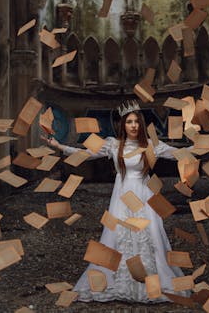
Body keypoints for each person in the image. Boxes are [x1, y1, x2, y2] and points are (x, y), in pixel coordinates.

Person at [43, 100, 190, 303]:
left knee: (152, 235)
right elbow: (85, 154)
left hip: (145, 197)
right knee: (116, 236)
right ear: (123, 124)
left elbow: (178, 154)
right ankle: (118, 283)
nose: (133, 125)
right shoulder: (113, 144)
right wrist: (59, 146)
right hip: (121, 197)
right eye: (129, 122)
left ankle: (152, 284)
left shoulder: (151, 145)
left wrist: (204, 145)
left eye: (136, 122)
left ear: (141, 124)